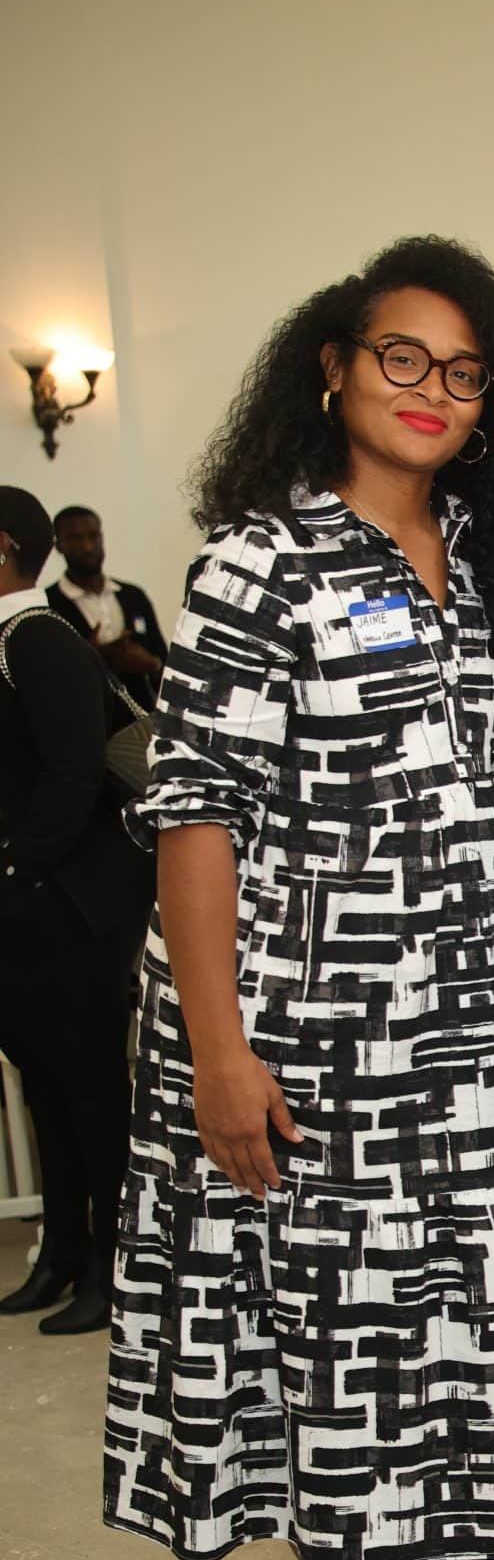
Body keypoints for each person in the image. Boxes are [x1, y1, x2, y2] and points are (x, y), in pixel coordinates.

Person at [104, 237, 494, 1560]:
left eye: (464, 372)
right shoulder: (261, 557)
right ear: (332, 367)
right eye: (403, 357)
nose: (432, 390)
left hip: (475, 1025)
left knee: (474, 1303)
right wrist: (217, 1050)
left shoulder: (473, 552)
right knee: (340, 1322)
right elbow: (195, 814)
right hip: (314, 1026)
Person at [0, 487, 154, 1333]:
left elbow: (72, 771)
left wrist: (19, 869)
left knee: (92, 1094)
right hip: (33, 910)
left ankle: (111, 1270)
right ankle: (59, 1256)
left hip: (72, 911)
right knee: (47, 1092)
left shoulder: (36, 636)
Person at [48, 506, 168, 703]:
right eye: (75, 538)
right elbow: (49, 680)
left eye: (93, 535)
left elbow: (164, 663)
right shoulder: (49, 605)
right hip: (87, 717)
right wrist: (90, 658)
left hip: (142, 715)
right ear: (58, 546)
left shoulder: (133, 596)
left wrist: (151, 664)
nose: (87, 547)